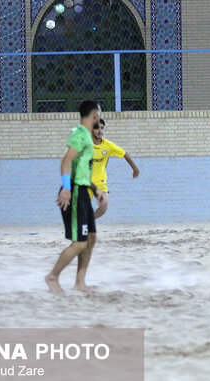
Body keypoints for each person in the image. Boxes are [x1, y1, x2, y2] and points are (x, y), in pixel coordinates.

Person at [45, 100, 106, 295]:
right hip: (75, 192)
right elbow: (66, 161)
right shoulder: (80, 134)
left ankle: (80, 282)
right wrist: (65, 188)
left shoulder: (87, 137)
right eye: (100, 113)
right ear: (95, 115)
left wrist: (96, 190)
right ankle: (52, 276)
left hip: (84, 191)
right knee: (79, 243)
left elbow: (81, 171)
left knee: (91, 237)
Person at [89, 118, 140, 218]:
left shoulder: (108, 145)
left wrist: (135, 169)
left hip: (100, 181)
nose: (100, 131)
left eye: (102, 128)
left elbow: (125, 154)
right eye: (96, 128)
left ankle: (89, 221)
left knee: (103, 206)